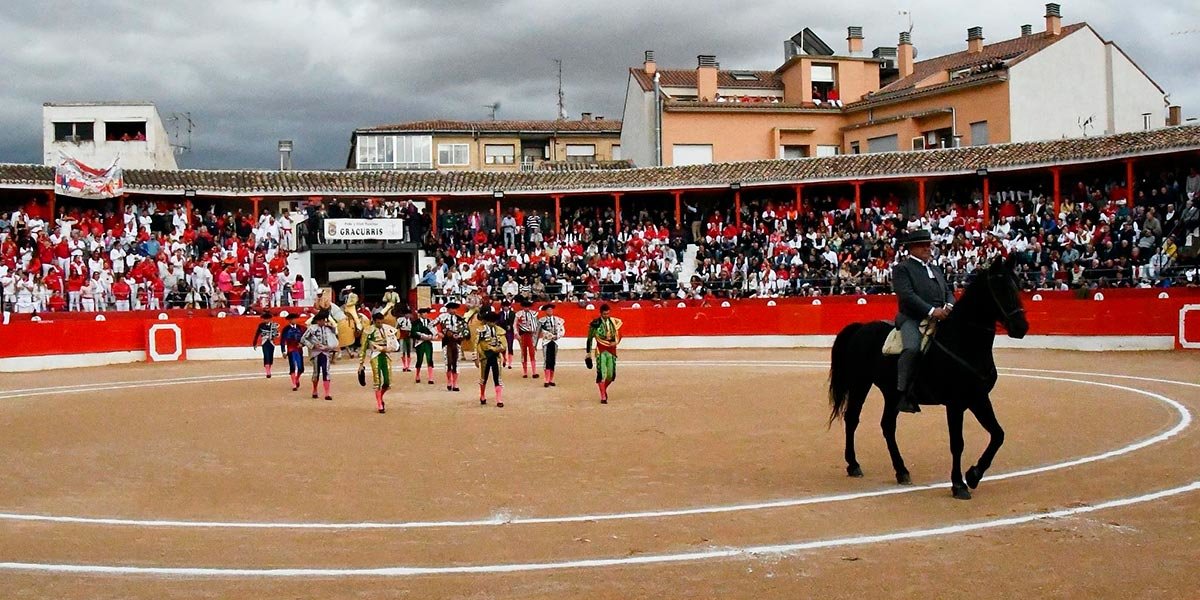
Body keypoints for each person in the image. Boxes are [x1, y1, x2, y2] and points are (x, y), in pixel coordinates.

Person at [892, 229, 955, 413]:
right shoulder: (902, 268)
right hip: (912, 317)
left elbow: (948, 292)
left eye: (929, 244)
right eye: (923, 245)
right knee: (912, 348)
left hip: (940, 316)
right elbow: (907, 296)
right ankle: (903, 393)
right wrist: (931, 311)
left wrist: (949, 307)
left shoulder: (935, 268)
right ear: (912, 248)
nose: (928, 248)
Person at [359, 311, 400, 414]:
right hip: (375, 355)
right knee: (377, 380)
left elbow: (394, 342)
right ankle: (379, 404)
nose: (380, 324)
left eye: (381, 322)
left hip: (386, 355)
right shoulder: (368, 331)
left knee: (387, 382)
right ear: (374, 321)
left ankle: (380, 397)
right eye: (378, 322)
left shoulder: (387, 328)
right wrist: (361, 363)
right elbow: (363, 347)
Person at [585, 303, 623, 404]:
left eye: (608, 313)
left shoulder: (613, 322)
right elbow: (589, 339)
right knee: (601, 373)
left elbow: (619, 334)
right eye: (605, 314)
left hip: (612, 350)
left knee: (611, 375)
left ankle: (603, 389)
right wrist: (588, 353)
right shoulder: (595, 324)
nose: (607, 315)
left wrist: (616, 342)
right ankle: (603, 396)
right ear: (601, 313)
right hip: (600, 350)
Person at [300, 309, 339, 400]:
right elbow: (303, 339)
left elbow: (335, 336)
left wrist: (329, 347)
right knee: (316, 372)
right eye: (321, 320)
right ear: (317, 320)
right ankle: (315, 390)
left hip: (325, 352)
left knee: (326, 371)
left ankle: (327, 393)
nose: (323, 322)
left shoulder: (329, 328)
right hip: (316, 353)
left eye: (324, 320)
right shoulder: (312, 328)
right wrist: (313, 345)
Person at [474, 308, 507, 407]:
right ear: (487, 321)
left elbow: (504, 345)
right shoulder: (481, 330)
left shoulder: (500, 331)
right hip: (485, 356)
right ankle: (482, 395)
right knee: (484, 377)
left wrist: (497, 350)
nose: (492, 323)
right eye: (490, 321)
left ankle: (499, 399)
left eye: (493, 321)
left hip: (496, 356)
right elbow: (476, 344)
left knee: (498, 378)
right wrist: (476, 358)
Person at [436, 301, 469, 391]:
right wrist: (438, 333)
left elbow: (466, 331)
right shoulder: (442, 317)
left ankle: (455, 383)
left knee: (456, 363)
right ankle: (449, 381)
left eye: (454, 308)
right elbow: (431, 325)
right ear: (448, 309)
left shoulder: (459, 318)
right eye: (451, 308)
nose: (453, 310)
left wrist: (460, 336)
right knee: (448, 362)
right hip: (446, 342)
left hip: (456, 342)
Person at [538, 303, 565, 387]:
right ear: (545, 311)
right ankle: (546, 380)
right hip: (546, 342)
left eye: (551, 309)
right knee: (547, 360)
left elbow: (562, 330)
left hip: (555, 342)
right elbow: (541, 332)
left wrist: (558, 336)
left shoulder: (558, 320)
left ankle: (551, 379)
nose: (550, 311)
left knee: (553, 361)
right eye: (548, 310)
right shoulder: (542, 321)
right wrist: (551, 336)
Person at [410, 307, 438, 384]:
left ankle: (431, 377)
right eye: (424, 313)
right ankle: (417, 375)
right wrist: (422, 336)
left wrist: (431, 336)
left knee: (429, 359)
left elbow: (435, 332)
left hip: (428, 342)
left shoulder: (430, 322)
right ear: (420, 314)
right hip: (420, 343)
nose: (426, 314)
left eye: (426, 313)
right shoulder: (416, 323)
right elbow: (413, 333)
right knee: (420, 359)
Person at [515, 298, 541, 378]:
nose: (526, 308)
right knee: (524, 353)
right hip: (522, 335)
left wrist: (536, 336)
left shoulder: (534, 314)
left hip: (531, 335)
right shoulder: (518, 314)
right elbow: (514, 324)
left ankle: (534, 372)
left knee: (532, 353)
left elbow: (537, 325)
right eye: (525, 306)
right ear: (523, 307)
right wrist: (516, 334)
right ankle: (525, 372)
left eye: (528, 306)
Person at [280, 312, 305, 391]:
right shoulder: (286, 329)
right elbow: (282, 341)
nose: (294, 320)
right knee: (292, 366)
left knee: (301, 368)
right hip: (290, 349)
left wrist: (303, 345)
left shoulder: (301, 328)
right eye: (293, 319)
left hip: (299, 349)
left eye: (295, 319)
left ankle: (297, 379)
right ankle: (294, 384)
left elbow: (305, 338)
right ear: (289, 320)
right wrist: (283, 351)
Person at [252, 311, 280, 379]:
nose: (266, 320)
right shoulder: (261, 325)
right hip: (264, 342)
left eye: (267, 319)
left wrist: (275, 335)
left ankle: (269, 369)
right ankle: (268, 372)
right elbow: (257, 333)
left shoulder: (274, 325)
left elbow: (277, 334)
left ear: (270, 319)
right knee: (266, 355)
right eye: (265, 319)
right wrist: (255, 343)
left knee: (270, 356)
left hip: (271, 342)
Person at [497, 299, 516, 369]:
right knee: (503, 347)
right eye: (504, 306)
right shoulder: (500, 314)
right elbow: (498, 323)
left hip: (510, 332)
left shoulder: (513, 314)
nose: (505, 307)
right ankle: (505, 358)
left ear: (509, 306)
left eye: (507, 306)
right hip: (502, 332)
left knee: (510, 346)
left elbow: (514, 322)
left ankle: (510, 363)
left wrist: (510, 326)